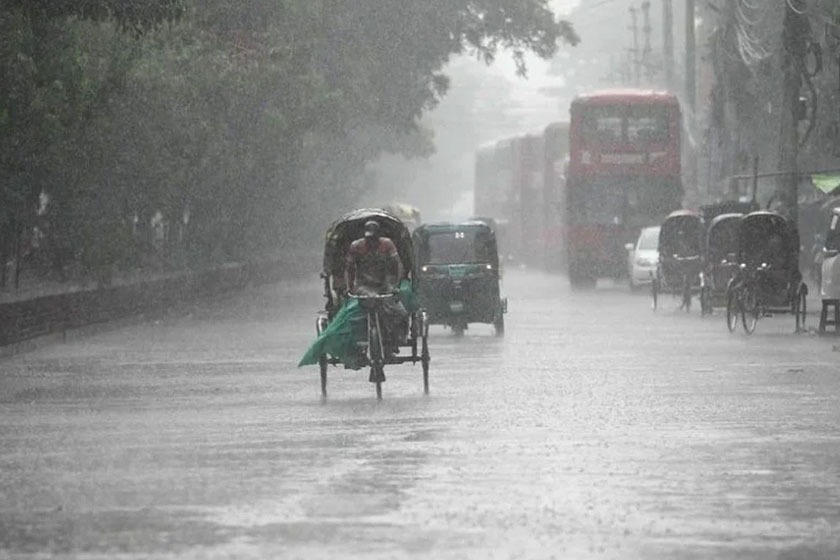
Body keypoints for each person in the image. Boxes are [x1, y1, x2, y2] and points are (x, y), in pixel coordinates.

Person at [345, 220, 408, 360]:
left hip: (384, 284)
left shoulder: (387, 244)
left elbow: (398, 265)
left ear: (378, 236)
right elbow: (349, 268)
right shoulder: (356, 246)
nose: (371, 242)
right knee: (368, 301)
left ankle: (396, 338)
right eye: (369, 239)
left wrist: (397, 285)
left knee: (401, 313)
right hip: (364, 286)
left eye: (373, 239)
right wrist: (349, 286)